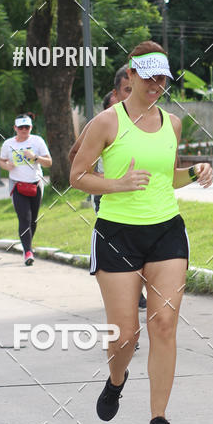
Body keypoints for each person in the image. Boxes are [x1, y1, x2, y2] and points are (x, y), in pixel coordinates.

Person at [70, 40, 213, 424]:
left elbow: (167, 177)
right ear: (129, 76)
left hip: (167, 230)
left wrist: (197, 172)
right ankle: (116, 380)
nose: (156, 85)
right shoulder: (106, 123)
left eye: (162, 79)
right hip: (117, 234)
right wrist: (116, 184)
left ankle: (159, 420)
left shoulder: (173, 123)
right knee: (126, 335)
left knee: (164, 325)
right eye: (148, 77)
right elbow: (77, 176)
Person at [69, 69, 148, 310]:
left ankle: (136, 290)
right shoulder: (101, 124)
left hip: (144, 200)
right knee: (121, 246)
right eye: (126, 91)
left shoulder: (152, 121)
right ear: (114, 96)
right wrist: (105, 179)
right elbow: (75, 156)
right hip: (108, 199)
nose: (131, 97)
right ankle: (129, 296)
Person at [0, 114, 52, 266]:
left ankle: (26, 245)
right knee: (25, 218)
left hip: (35, 184)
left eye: (26, 127)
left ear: (31, 127)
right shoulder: (8, 144)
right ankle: (28, 251)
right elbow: (1, 161)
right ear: (15, 128)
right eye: (20, 127)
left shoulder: (37, 141)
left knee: (33, 220)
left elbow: (49, 162)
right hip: (17, 185)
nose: (24, 130)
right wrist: (6, 166)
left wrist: (35, 157)